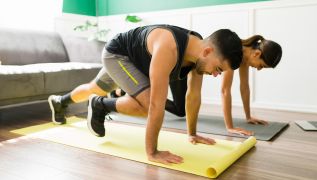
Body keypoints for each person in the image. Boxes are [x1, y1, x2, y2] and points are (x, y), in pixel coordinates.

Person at [85, 24, 243, 165]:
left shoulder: (200, 53)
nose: (216, 75)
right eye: (218, 69)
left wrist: (192, 134)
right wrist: (152, 152)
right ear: (207, 52)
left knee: (140, 103)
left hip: (140, 60)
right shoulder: (168, 48)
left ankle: (100, 103)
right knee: (148, 105)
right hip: (118, 55)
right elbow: (156, 105)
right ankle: (99, 104)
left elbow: (193, 96)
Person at [221, 35, 282, 136]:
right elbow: (225, 90)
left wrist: (248, 116)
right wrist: (230, 127)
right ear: (257, 54)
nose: (258, 69)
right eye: (261, 65)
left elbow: (244, 87)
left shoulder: (245, 56)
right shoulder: (233, 52)